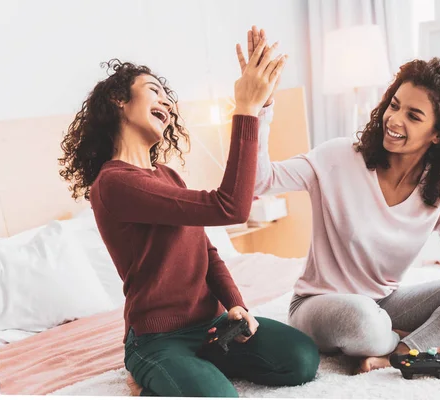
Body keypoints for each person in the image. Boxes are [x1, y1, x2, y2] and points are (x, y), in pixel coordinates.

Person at [241, 33, 440, 377]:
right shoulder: (338, 158)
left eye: (414, 116)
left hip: (384, 301)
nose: (394, 119)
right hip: (318, 307)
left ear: (438, 134)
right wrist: (259, 108)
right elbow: (260, 181)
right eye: (394, 105)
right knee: (363, 320)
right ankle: (389, 338)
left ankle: (399, 352)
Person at [58, 39, 319, 397]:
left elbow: (206, 251)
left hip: (212, 326)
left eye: (167, 94)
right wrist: (246, 107)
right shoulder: (113, 183)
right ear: (119, 100)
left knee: (302, 358)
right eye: (153, 90)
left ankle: (195, 368)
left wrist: (236, 304)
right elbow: (230, 207)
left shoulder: (166, 176)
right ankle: (150, 370)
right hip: (157, 338)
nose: (165, 99)